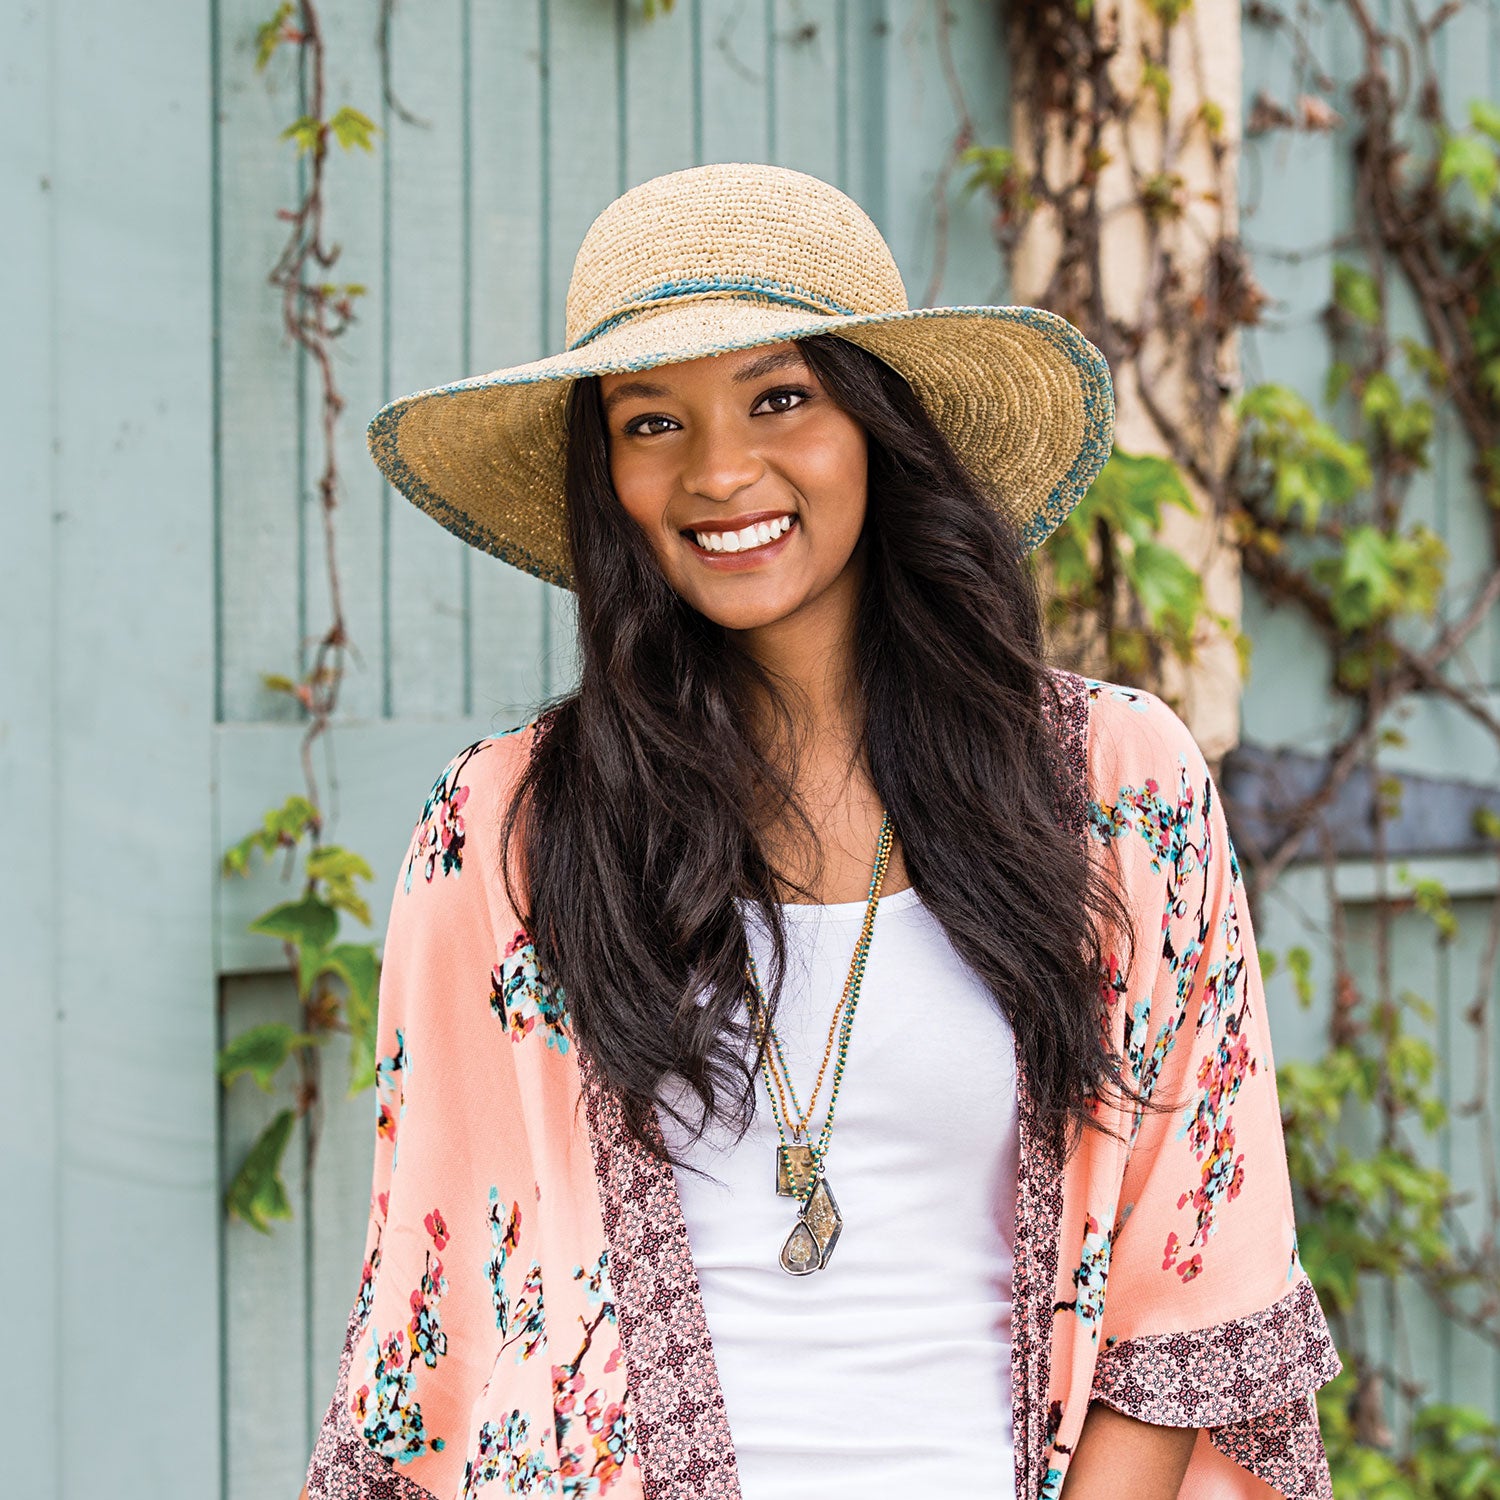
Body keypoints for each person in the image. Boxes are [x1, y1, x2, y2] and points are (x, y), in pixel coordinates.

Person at [301, 163, 1340, 1500]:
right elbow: (430, 1317)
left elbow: (1192, 1272)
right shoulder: (504, 832)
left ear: (878, 426)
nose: (722, 471)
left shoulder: (1117, 785)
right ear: (603, 471)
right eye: (651, 421)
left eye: (782, 398)